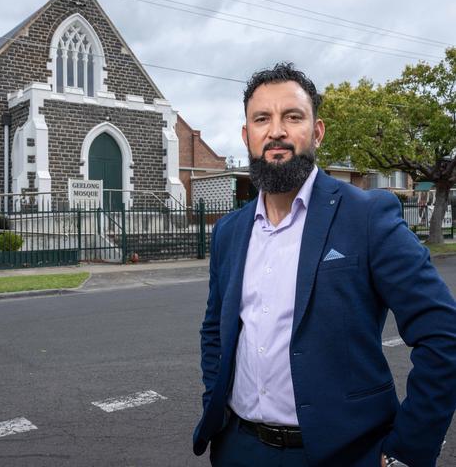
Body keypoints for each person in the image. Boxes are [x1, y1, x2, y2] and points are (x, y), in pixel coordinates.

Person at [192, 63, 456, 467]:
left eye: (292, 117)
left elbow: (443, 334)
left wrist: (406, 452)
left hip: (345, 453)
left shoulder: (367, 216)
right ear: (247, 136)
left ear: (316, 132)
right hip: (239, 448)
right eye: (262, 118)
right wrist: (217, 400)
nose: (276, 130)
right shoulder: (230, 231)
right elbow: (216, 329)